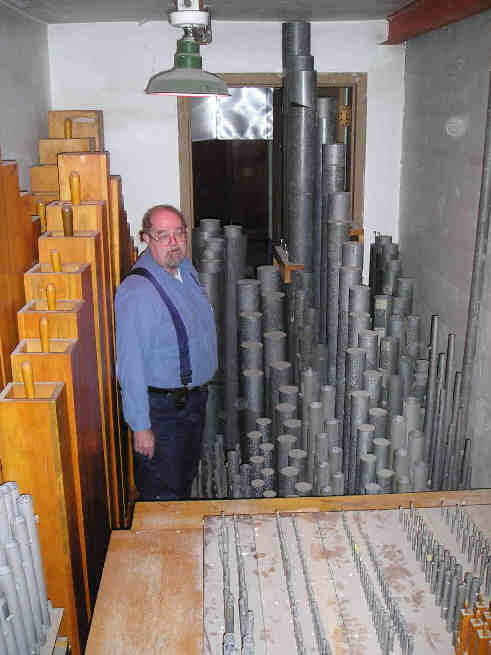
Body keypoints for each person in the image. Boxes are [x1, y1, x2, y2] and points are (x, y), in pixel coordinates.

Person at [115, 204, 217, 500]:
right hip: (163, 413)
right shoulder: (138, 292)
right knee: (164, 494)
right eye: (163, 235)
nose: (174, 242)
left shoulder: (185, 269)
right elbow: (130, 366)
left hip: (192, 402)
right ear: (146, 238)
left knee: (184, 480)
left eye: (179, 233)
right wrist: (141, 427)